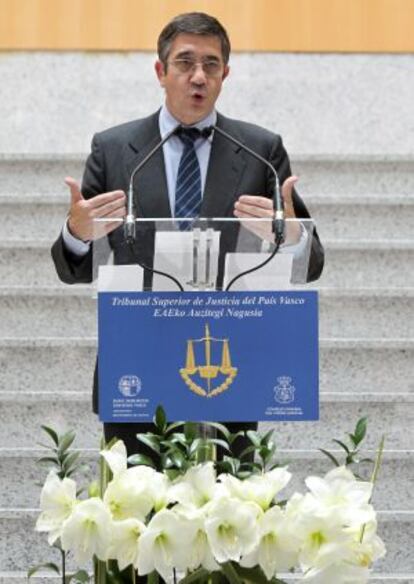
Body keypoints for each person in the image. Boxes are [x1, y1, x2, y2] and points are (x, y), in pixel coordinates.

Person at [51, 12, 324, 457]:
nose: (198, 76)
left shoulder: (260, 151)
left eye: (211, 65)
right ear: (161, 71)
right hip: (138, 356)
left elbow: (310, 265)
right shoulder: (115, 149)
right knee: (136, 513)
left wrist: (292, 237)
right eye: (185, 63)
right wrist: (77, 234)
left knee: (228, 513)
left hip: (229, 360)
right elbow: (75, 268)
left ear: (225, 74)